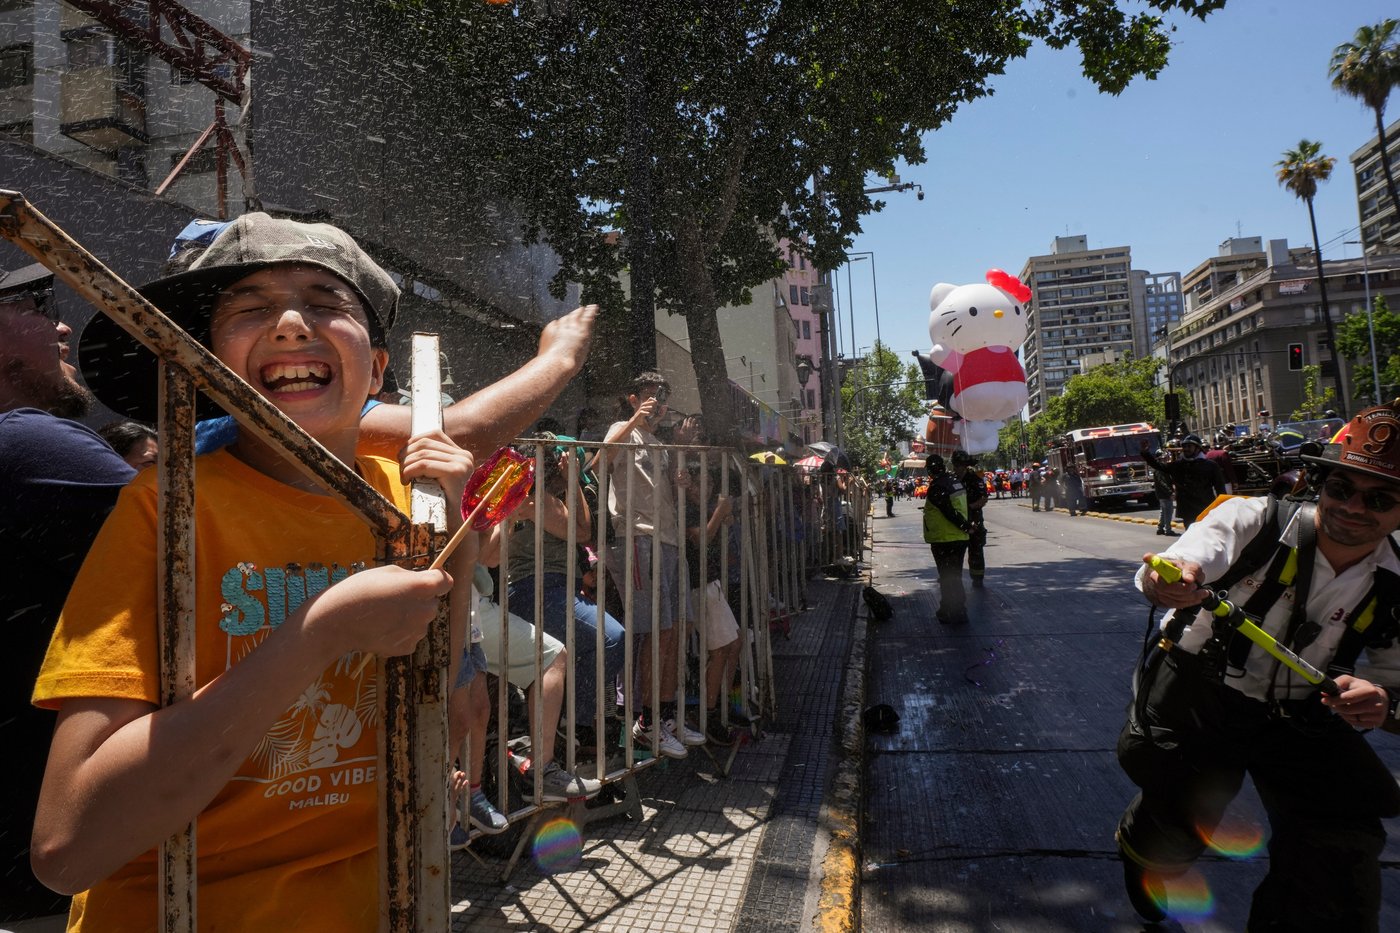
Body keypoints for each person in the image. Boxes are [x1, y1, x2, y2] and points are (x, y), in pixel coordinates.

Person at [30, 214, 474, 931]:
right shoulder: (165, 510)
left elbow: (426, 688)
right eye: (250, 308)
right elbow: (68, 847)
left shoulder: (406, 497)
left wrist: (457, 534)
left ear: (377, 370)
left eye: (326, 302)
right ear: (208, 362)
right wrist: (318, 632)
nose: (292, 324)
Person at [1116, 400, 1400, 929]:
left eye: (1379, 498)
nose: (1353, 506)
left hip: (1302, 716)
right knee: (1180, 816)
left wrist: (1382, 702)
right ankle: (1146, 851)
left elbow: (1395, 683)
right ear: (1321, 483)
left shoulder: (1396, 579)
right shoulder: (1255, 518)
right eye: (1341, 488)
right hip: (1201, 698)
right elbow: (1194, 553)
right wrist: (1169, 578)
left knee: (1340, 844)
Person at [0, 262, 137, 925]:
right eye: (35, 306)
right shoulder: (27, 442)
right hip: (66, 887)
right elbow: (212, 544)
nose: (62, 327)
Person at [602, 372, 704, 759]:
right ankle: (646, 722)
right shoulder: (621, 429)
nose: (658, 405)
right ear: (633, 399)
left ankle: (665, 716)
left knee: (677, 630)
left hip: (669, 540)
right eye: (651, 397)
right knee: (655, 631)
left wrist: (680, 480)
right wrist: (634, 419)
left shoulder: (659, 443)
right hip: (638, 537)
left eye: (663, 398)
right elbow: (600, 460)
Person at [922, 454, 973, 625]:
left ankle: (956, 611)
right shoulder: (954, 482)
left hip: (944, 539)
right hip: (959, 538)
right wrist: (967, 526)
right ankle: (948, 608)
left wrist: (965, 526)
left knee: (947, 576)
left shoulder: (938, 486)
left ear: (930, 470)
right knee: (953, 575)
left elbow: (948, 511)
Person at [1141, 433, 1228, 529]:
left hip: (1205, 509)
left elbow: (1220, 488)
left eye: (1189, 446)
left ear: (1198, 448)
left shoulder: (1210, 465)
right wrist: (1146, 453)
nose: (1186, 449)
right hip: (1187, 510)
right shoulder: (1178, 465)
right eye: (1184, 446)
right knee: (1191, 535)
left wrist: (1222, 508)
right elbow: (1159, 466)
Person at [954, 450, 988, 589]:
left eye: (959, 465)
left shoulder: (974, 479)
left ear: (964, 466)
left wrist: (969, 507)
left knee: (975, 550)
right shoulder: (952, 480)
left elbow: (983, 498)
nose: (956, 468)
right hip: (956, 521)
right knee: (955, 552)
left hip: (973, 519)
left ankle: (977, 578)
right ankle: (953, 578)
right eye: (955, 465)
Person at [1152, 447, 1177, 536]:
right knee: (1168, 511)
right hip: (1164, 494)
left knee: (1163, 511)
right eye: (1165, 457)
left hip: (1162, 493)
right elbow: (1162, 482)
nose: (1167, 459)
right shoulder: (1159, 469)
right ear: (1161, 458)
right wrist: (1170, 492)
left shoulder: (1161, 468)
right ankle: (1168, 530)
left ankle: (1160, 528)